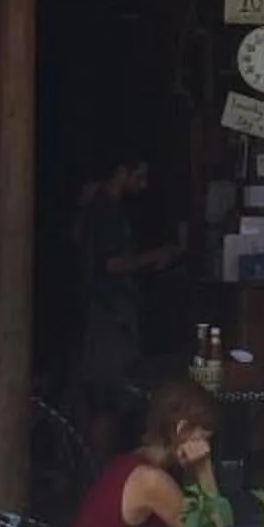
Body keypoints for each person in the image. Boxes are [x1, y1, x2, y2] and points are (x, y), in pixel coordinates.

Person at [56, 373, 218, 527]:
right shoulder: (151, 482)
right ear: (181, 429)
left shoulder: (126, 464)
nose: (206, 447)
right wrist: (204, 468)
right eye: (204, 439)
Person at [71, 148, 179, 436]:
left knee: (106, 397)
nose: (143, 185)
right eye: (139, 176)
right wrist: (155, 255)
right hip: (107, 316)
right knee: (107, 398)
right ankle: (98, 472)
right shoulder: (106, 210)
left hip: (109, 314)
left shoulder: (104, 207)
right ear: (121, 173)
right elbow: (113, 264)